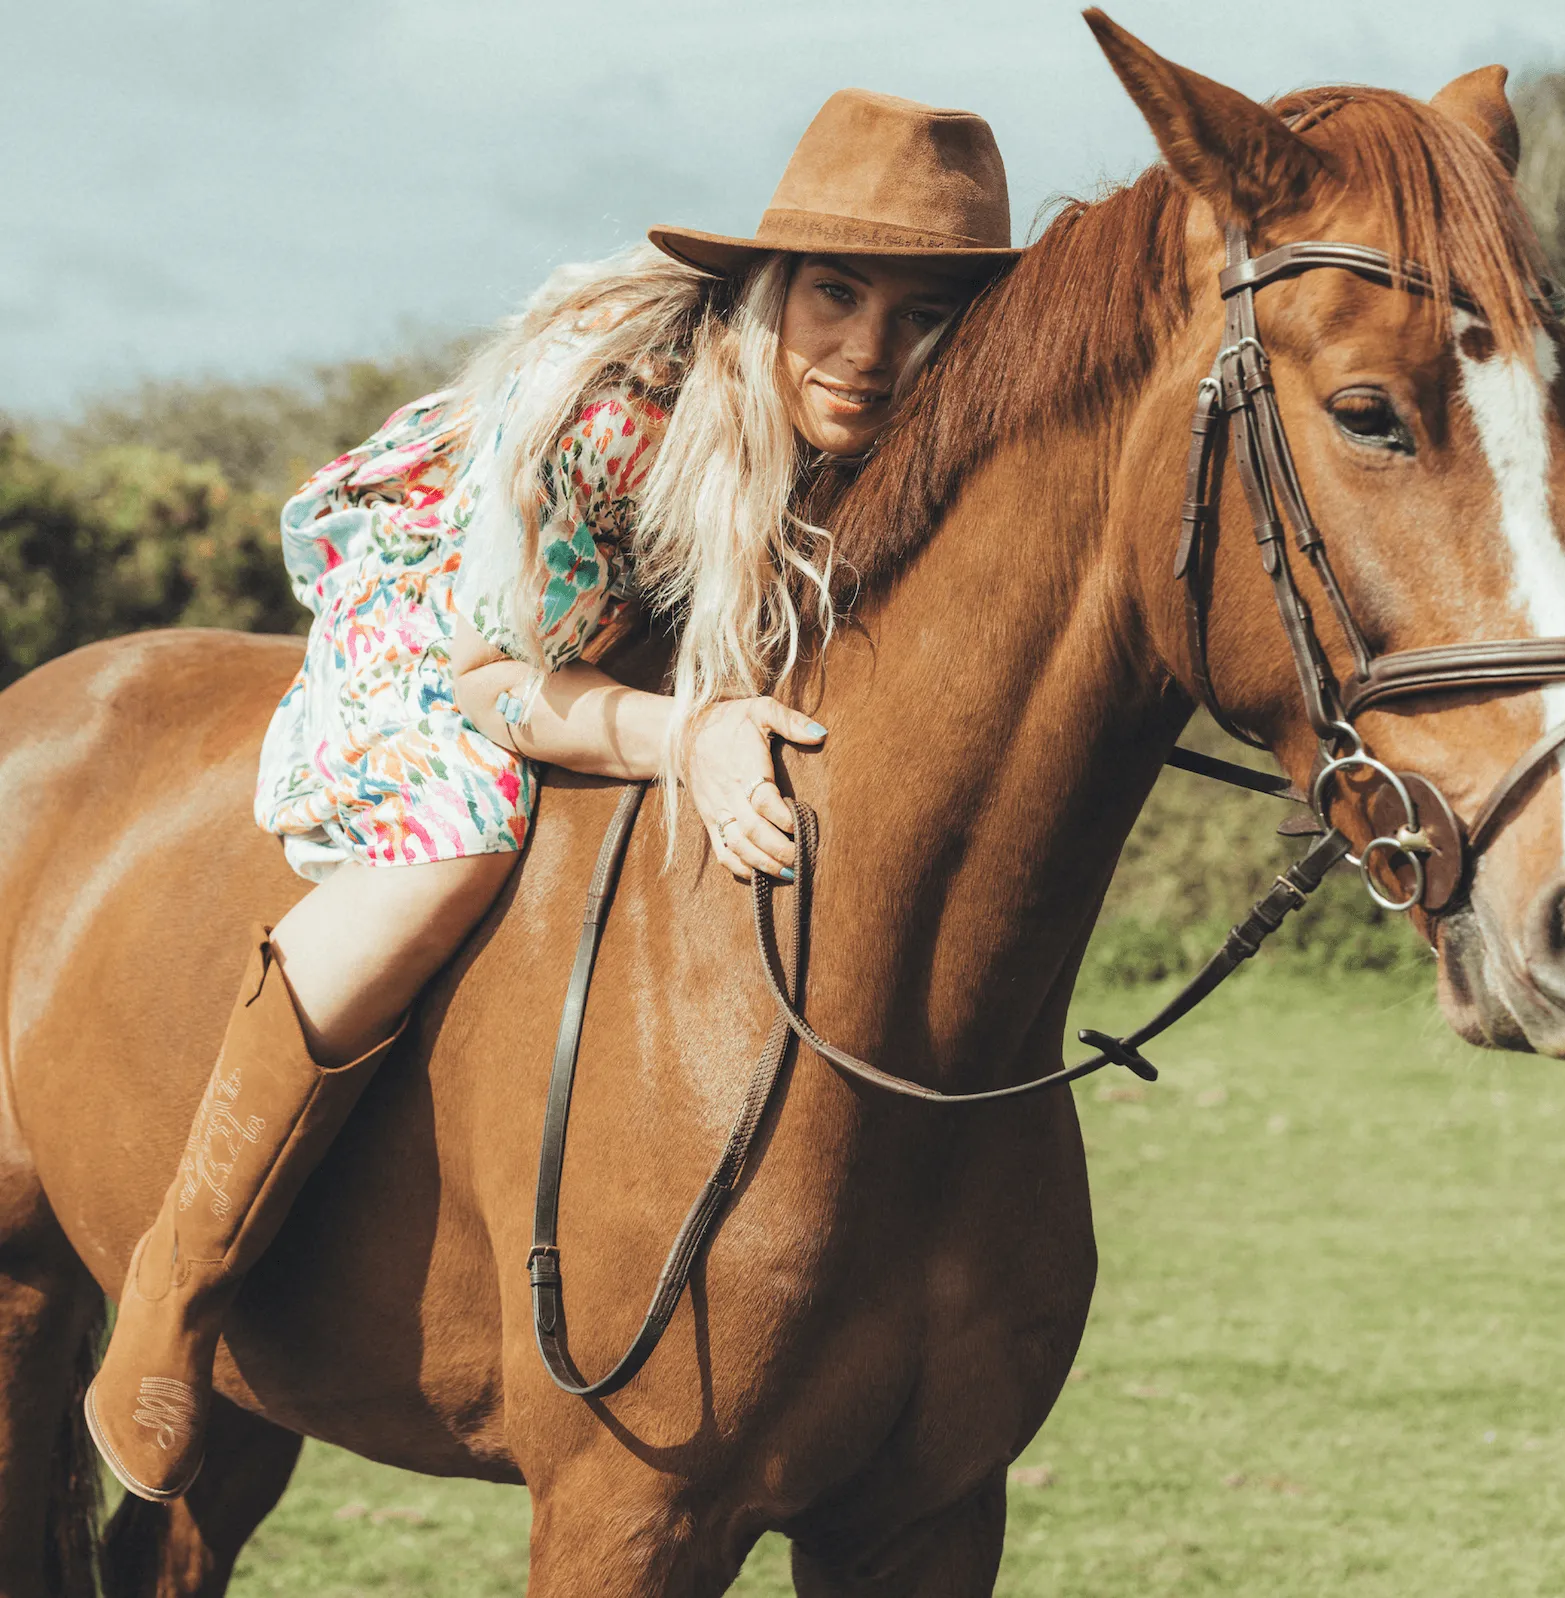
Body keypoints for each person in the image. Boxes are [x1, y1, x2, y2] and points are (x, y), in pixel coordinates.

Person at [85, 87, 1022, 1503]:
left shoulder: (910, 424)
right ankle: (178, 1276)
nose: (871, 351)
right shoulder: (620, 412)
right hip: (462, 601)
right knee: (451, 847)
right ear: (770, 284)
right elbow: (495, 679)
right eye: (837, 293)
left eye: (921, 318)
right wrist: (681, 734)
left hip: (647, 617)